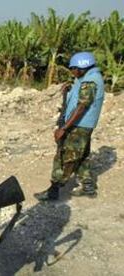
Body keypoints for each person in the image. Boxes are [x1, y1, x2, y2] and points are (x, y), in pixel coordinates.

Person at [35, 52, 104, 201]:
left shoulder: (89, 82)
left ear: (82, 67)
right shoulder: (88, 78)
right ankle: (88, 186)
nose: (72, 72)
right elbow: (80, 95)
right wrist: (71, 88)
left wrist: (64, 128)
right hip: (84, 126)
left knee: (65, 157)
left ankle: (53, 190)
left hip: (78, 126)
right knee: (82, 155)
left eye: (74, 68)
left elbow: (81, 107)